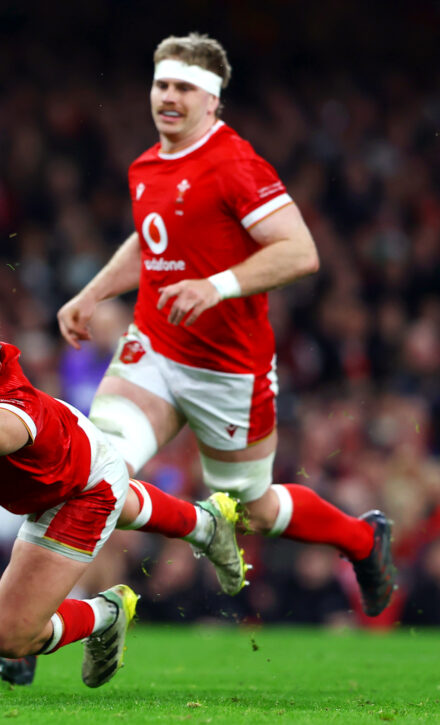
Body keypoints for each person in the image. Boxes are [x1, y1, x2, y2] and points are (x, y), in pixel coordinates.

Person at [57, 33, 396, 620]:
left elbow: (300, 251)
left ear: (211, 100)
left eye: (185, 87)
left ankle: (363, 541)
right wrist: (93, 293)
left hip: (227, 369)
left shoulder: (235, 163)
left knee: (254, 510)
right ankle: (43, 627)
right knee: (95, 471)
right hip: (153, 350)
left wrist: (217, 285)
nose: (169, 96)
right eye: (162, 84)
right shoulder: (146, 166)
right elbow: (152, 239)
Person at [0, 305, 247, 688]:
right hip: (62, 467)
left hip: (80, 494)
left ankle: (105, 614)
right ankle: (204, 523)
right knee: (123, 501)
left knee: (7, 637)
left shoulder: (13, 404)